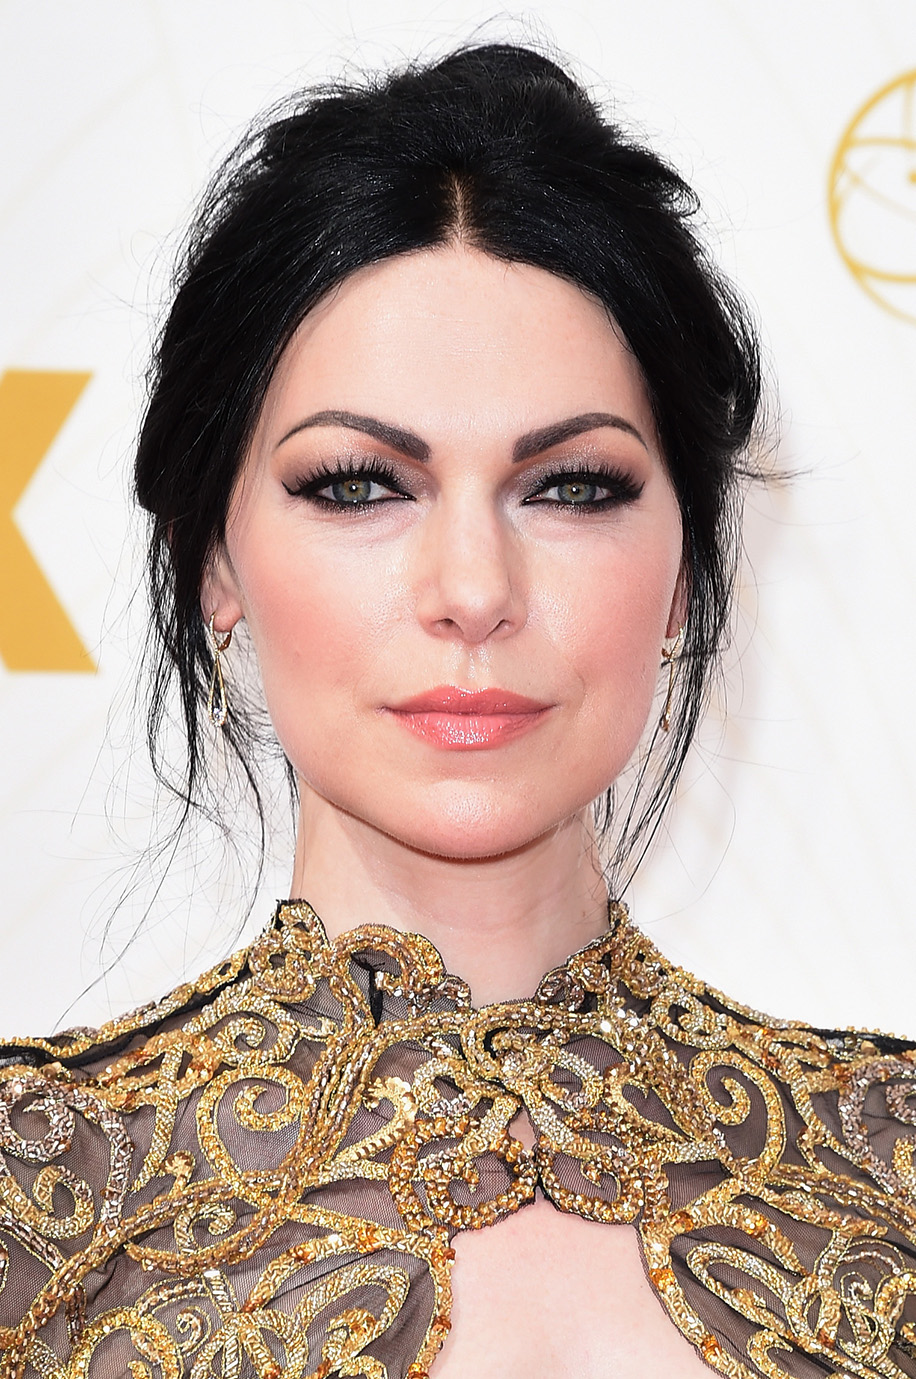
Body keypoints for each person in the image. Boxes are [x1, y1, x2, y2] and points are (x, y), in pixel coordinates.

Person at [0, 42, 913, 1379]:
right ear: (214, 560)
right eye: (359, 485)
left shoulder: (890, 1170)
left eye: (574, 487)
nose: (475, 591)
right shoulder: (34, 1200)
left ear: (684, 571)